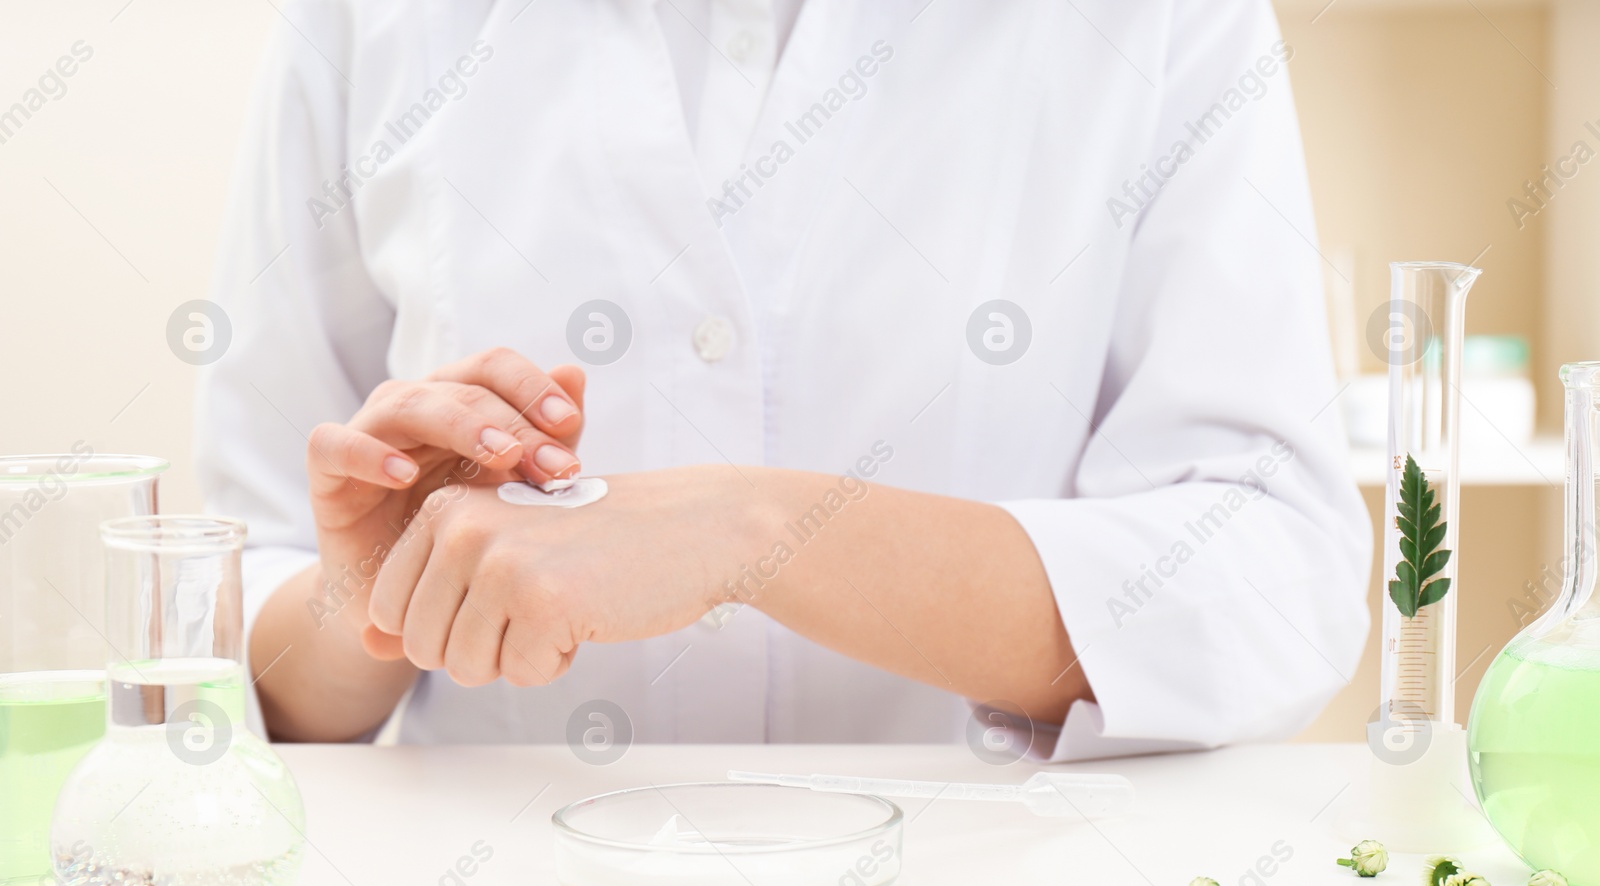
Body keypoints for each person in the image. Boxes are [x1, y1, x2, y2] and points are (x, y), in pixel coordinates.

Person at [196, 0, 1370, 757]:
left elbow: (1268, 573)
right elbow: (256, 610)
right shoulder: (362, 21)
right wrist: (376, 605)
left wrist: (755, 532)